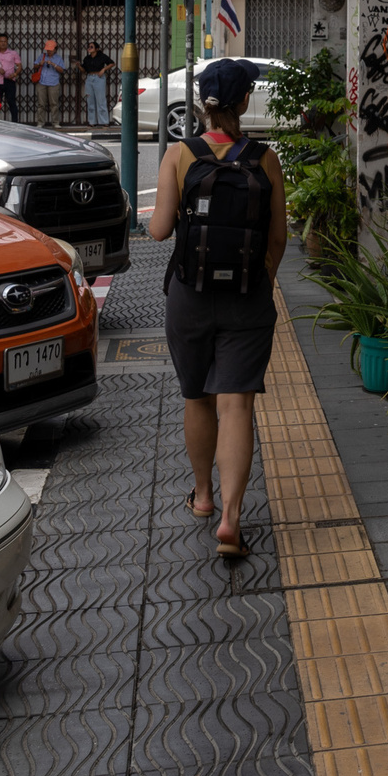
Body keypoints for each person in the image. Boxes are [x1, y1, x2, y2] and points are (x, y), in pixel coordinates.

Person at [149, 59, 286, 556]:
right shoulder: (266, 159)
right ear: (245, 101)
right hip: (247, 299)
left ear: (204, 103)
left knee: (197, 397)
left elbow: (160, 229)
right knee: (237, 404)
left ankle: (203, 498)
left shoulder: (180, 156)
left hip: (190, 296)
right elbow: (278, 239)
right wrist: (258, 285)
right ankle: (231, 519)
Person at [0, 35, 22, 123]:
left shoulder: (13, 53)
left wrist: (14, 74)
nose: (3, 43)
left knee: (11, 102)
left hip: (9, 81)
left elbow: (19, 66)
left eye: (5, 41)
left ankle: (15, 122)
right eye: (1, 41)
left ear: (7, 42)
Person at [80, 42, 112, 128]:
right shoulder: (87, 58)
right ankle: (92, 121)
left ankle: (104, 121)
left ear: (96, 49)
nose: (89, 48)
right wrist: (78, 65)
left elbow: (112, 63)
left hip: (99, 77)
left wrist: (104, 69)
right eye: (89, 46)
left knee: (101, 99)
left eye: (91, 47)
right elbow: (84, 70)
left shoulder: (102, 57)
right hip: (90, 77)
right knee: (90, 100)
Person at [36, 38, 67, 125]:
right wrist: (39, 64)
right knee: (41, 104)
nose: (49, 51)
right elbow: (35, 67)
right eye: (48, 50)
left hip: (53, 83)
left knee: (54, 104)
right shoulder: (42, 56)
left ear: (55, 49)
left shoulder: (58, 58)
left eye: (51, 50)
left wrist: (54, 64)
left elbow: (62, 70)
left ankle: (55, 122)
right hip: (42, 82)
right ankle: (40, 123)